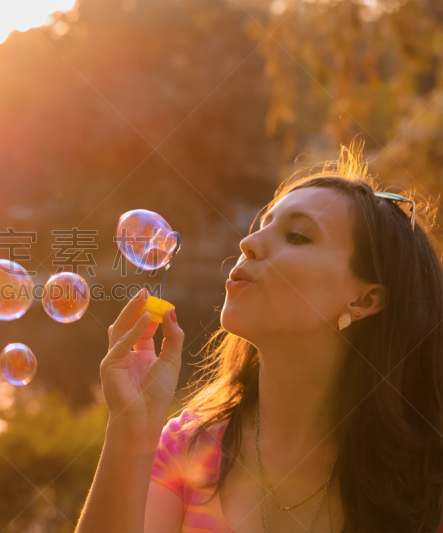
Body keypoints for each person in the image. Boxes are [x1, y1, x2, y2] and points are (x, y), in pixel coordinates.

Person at [75, 143, 443, 533]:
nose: (247, 243)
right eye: (263, 223)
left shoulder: (428, 477)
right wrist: (133, 424)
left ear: (366, 299)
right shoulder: (187, 448)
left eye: (298, 236)